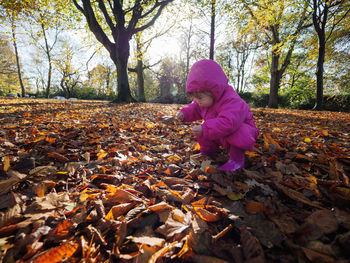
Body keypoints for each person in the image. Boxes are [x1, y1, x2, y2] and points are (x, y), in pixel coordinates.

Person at [176, 59, 259, 172]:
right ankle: (208, 153)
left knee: (234, 131)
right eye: (195, 97)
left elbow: (229, 122)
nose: (197, 101)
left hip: (240, 131)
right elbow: (195, 107)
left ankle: (236, 160)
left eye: (199, 97)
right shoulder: (205, 100)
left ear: (213, 91)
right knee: (203, 130)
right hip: (220, 131)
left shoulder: (231, 100)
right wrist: (184, 113)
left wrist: (205, 128)